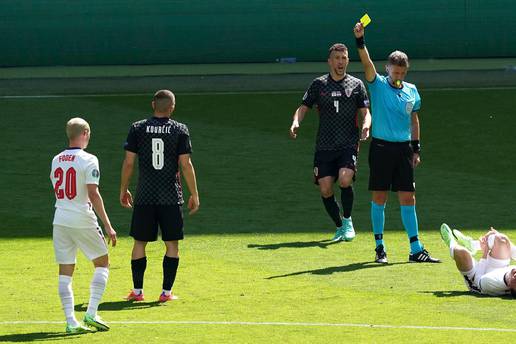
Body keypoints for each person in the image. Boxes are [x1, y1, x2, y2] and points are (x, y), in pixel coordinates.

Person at [353, 22, 439, 264]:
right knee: (380, 197)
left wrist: (416, 148)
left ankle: (416, 249)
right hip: (381, 148)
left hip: (403, 150)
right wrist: (360, 40)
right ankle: (380, 247)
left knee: (408, 197)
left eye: (402, 72)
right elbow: (366, 63)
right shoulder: (378, 85)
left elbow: (414, 120)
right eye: (395, 71)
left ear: (406, 71)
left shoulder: (412, 91)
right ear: (388, 68)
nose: (398, 75)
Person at [120, 89, 200, 302]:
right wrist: (195, 194)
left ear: (152, 104)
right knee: (172, 244)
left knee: (139, 243)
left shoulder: (138, 128)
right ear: (172, 107)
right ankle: (166, 293)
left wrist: (123, 189)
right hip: (170, 196)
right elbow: (186, 164)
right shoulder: (180, 129)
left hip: (145, 195)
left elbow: (129, 162)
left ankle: (137, 292)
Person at [289, 43, 371, 242]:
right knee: (325, 188)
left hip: (348, 143)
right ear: (329, 61)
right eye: (337, 58)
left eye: (344, 58)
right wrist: (295, 122)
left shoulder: (357, 85)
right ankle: (339, 226)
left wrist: (366, 125)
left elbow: (366, 112)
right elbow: (303, 107)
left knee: (344, 179)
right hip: (324, 145)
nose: (341, 62)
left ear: (348, 61)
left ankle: (349, 220)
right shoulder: (318, 85)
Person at [50, 117, 117, 334]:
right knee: (102, 262)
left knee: (65, 270)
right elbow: (93, 193)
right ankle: (91, 312)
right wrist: (108, 225)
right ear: (85, 133)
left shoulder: (56, 159)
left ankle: (71, 321)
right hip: (82, 218)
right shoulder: (89, 159)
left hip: (60, 218)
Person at [440, 224, 516, 297]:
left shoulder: (490, 282)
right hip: (500, 268)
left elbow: (478, 278)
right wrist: (497, 235)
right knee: (501, 239)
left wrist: (485, 251)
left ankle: (451, 243)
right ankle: (473, 245)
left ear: (510, 286)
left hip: (477, 279)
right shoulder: (512, 275)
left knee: (461, 251)